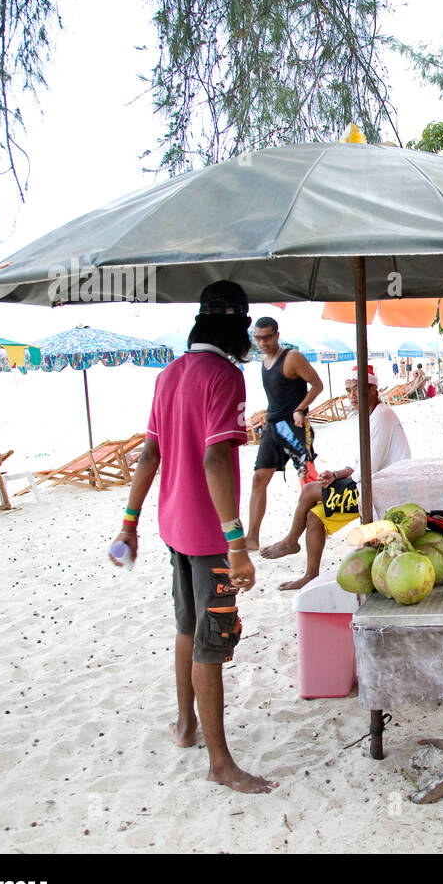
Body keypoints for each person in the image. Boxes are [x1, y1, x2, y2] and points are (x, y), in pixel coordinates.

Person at [110, 280, 276, 794]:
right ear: (236, 327)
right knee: (212, 641)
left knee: (186, 626)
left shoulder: (169, 374)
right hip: (208, 537)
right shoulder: (226, 378)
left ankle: (185, 727)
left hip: (171, 527)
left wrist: (128, 525)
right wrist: (236, 542)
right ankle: (221, 763)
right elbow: (213, 460)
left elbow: (148, 456)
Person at [261, 365, 411, 590]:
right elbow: (356, 464)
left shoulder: (382, 416)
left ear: (372, 389)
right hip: (369, 483)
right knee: (314, 517)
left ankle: (291, 541)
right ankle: (310, 575)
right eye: (348, 390)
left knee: (308, 491)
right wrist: (334, 476)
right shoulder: (369, 416)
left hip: (381, 489)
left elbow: (368, 468)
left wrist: (338, 483)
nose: (351, 396)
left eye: (355, 390)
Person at [244, 317, 324, 550]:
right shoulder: (264, 362)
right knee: (259, 479)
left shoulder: (292, 358)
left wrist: (300, 409)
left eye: (267, 337)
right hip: (274, 428)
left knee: (308, 480)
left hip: (295, 428)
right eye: (258, 338)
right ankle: (252, 537)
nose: (262, 342)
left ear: (277, 335)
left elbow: (317, 385)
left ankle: (316, 527)